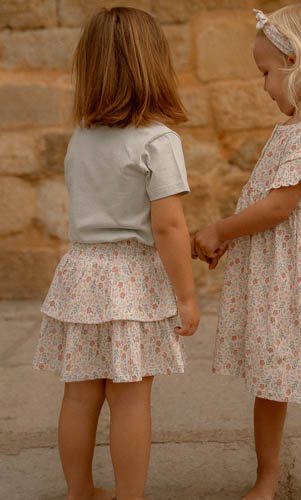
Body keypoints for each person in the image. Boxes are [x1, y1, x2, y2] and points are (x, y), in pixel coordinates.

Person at [193, 2, 301, 498]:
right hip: (280, 277)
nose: (263, 86)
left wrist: (220, 229)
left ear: (296, 65)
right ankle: (266, 477)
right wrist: (237, 236)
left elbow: (277, 208)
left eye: (266, 72)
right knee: (270, 378)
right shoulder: (293, 131)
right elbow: (271, 210)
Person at [33, 7, 199, 500]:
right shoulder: (158, 142)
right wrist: (185, 296)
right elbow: (168, 226)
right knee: (129, 397)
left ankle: (79, 491)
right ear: (154, 66)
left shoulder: (82, 138)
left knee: (80, 394)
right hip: (129, 278)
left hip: (81, 271)